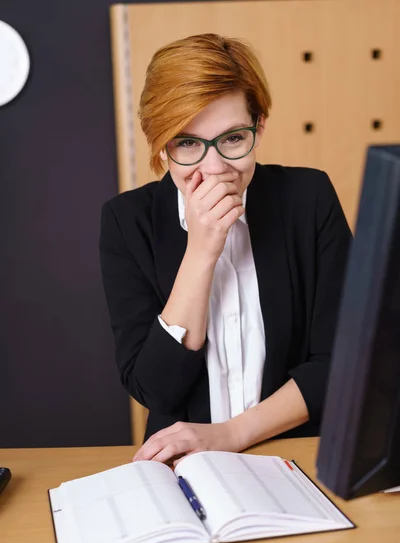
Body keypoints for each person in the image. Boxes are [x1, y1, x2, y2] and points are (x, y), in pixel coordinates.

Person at [100, 33, 351, 464]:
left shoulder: (309, 198)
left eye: (233, 139)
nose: (215, 168)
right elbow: (154, 389)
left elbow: (343, 361)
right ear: (162, 145)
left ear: (259, 126)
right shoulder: (127, 221)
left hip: (299, 455)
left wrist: (231, 434)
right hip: (185, 466)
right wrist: (201, 252)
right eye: (187, 143)